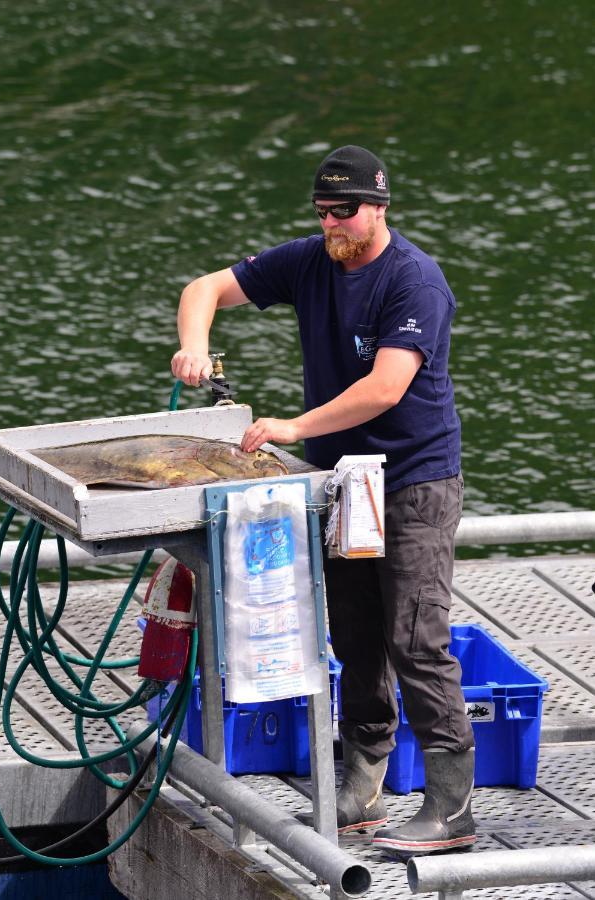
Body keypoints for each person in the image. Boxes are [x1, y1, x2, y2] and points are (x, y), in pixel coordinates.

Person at [171, 144, 476, 858]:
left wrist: (292, 428)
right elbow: (203, 289)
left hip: (414, 481)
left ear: (378, 208)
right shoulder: (310, 260)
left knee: (414, 639)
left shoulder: (414, 282)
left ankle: (450, 806)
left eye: (344, 212)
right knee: (355, 632)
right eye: (321, 212)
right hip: (344, 484)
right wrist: (193, 344)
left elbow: (385, 388)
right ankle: (362, 785)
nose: (332, 224)